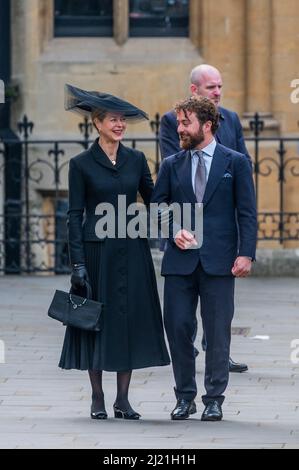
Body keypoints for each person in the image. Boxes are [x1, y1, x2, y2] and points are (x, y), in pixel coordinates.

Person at [59, 84, 170, 420]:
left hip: (133, 251)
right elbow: (74, 216)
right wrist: (77, 263)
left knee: (128, 320)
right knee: (98, 320)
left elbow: (153, 200)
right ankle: (97, 397)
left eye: (122, 120)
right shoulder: (80, 165)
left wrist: (178, 224)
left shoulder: (136, 160)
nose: (119, 124)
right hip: (97, 254)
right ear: (97, 123)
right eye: (112, 119)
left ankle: (123, 399)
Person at [152, 96, 257, 421]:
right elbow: (158, 209)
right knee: (179, 328)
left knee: (218, 331)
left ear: (206, 125)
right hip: (180, 264)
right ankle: (185, 397)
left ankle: (214, 398)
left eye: (186, 122)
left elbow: (247, 212)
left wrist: (246, 253)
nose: (179, 128)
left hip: (220, 261)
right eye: (179, 122)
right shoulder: (172, 164)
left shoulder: (235, 162)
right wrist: (173, 232)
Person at [159, 64, 251, 373]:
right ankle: (188, 363)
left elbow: (242, 161)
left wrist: (244, 249)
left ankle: (217, 355)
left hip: (219, 228)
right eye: (211, 87)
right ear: (195, 89)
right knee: (179, 318)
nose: (218, 92)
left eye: (220, 86)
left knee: (219, 313)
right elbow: (175, 167)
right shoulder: (172, 122)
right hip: (185, 224)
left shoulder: (232, 119)